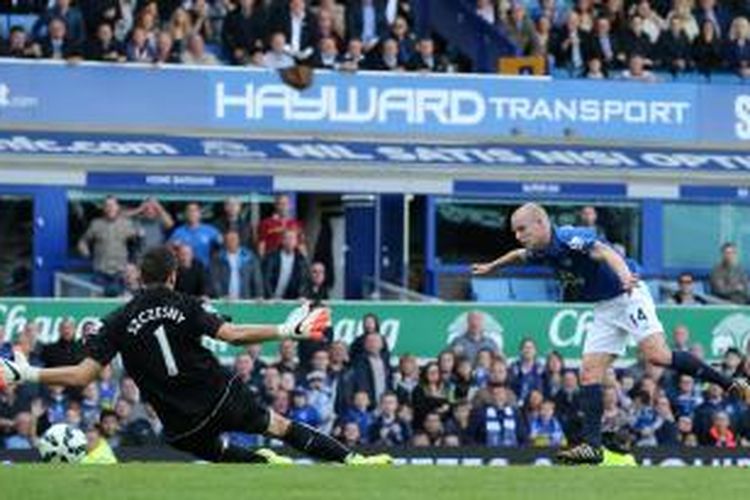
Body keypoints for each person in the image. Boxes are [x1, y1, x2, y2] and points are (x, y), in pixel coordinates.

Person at [1, 246, 390, 466]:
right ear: (172, 276)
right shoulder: (187, 304)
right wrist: (286, 330)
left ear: (140, 278)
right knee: (281, 427)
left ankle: (266, 464)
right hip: (220, 397)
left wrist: (26, 372)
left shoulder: (116, 321)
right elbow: (234, 336)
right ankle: (353, 460)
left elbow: (82, 377)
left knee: (221, 452)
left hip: (179, 423)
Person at [472, 203, 750, 464]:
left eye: (522, 229)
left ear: (541, 222)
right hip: (605, 307)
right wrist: (492, 267)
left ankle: (731, 384)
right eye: (515, 232)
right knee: (589, 373)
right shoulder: (541, 249)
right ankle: (592, 446)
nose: (519, 236)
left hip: (627, 294)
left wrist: (625, 276)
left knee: (657, 355)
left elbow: (606, 252)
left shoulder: (569, 237)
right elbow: (519, 256)